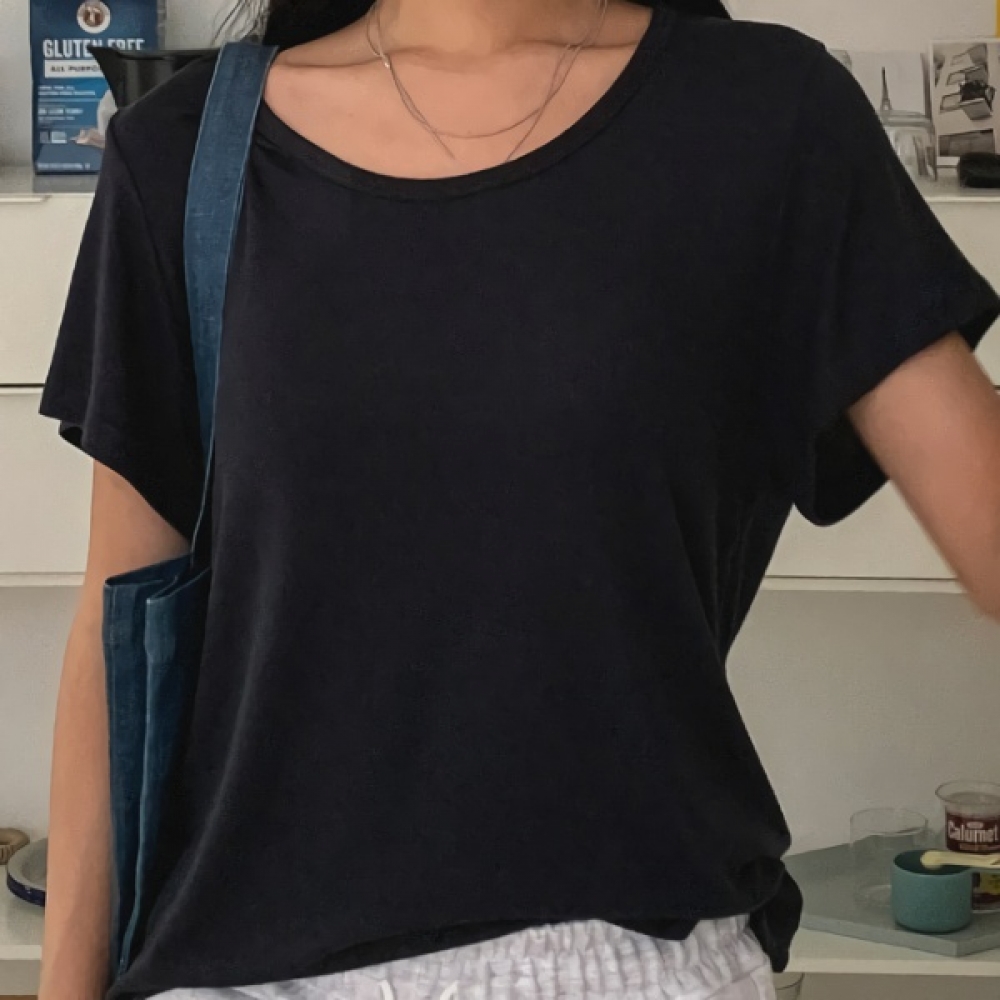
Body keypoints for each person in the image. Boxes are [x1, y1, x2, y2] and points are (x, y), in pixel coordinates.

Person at [36, 0, 1000, 998]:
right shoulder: (183, 154)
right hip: (237, 965)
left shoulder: (767, 117)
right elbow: (114, 638)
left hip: (626, 961)